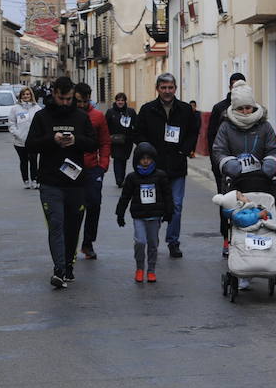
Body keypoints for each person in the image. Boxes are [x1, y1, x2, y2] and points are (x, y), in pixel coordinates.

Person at [25, 76, 97, 289]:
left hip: (76, 182)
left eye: (68, 98)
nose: (65, 102)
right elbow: (30, 145)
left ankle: (68, 265)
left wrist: (76, 140)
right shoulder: (41, 117)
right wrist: (51, 140)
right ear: (54, 94)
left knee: (73, 227)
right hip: (50, 182)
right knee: (56, 225)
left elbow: (93, 143)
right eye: (61, 98)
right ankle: (59, 269)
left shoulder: (81, 117)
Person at [211, 82, 276, 265]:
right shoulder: (226, 127)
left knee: (267, 215)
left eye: (248, 107)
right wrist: (228, 163)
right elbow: (218, 150)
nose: (245, 112)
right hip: (237, 182)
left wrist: (271, 164)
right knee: (239, 221)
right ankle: (241, 260)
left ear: (253, 106)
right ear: (234, 108)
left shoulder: (265, 126)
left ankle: (269, 258)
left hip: (262, 180)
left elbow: (274, 149)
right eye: (240, 108)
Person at [134, 73, 199, 258]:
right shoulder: (147, 110)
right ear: (157, 89)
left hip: (177, 165)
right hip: (154, 167)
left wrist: (184, 150)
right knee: (154, 205)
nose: (167, 91)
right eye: (163, 87)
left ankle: (173, 241)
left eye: (170, 87)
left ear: (175, 88)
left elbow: (193, 133)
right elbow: (138, 134)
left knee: (176, 205)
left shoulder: (186, 110)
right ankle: (152, 242)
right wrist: (147, 152)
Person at [116, 142, 173, 283]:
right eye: (142, 158)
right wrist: (120, 214)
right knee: (140, 242)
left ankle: (151, 270)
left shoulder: (160, 176)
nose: (146, 161)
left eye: (148, 158)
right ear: (137, 160)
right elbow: (125, 196)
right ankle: (140, 268)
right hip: (139, 216)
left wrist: (169, 212)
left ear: (153, 159)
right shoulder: (132, 177)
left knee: (153, 244)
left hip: (155, 216)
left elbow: (167, 195)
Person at [207, 73, 247, 255]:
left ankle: (243, 238)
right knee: (226, 201)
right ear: (230, 87)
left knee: (245, 202)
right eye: (233, 85)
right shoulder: (220, 108)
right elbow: (211, 137)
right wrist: (216, 162)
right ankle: (226, 238)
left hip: (245, 167)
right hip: (223, 166)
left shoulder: (250, 109)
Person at [74, 82, 111, 260]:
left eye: (84, 101)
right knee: (73, 208)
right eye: (78, 101)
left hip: (92, 169)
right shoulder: (69, 115)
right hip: (71, 169)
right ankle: (71, 243)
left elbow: (105, 141)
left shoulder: (97, 116)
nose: (81, 104)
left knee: (94, 205)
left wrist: (102, 166)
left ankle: (88, 244)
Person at [8, 87, 42, 189]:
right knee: (23, 161)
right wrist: (17, 133)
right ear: (20, 96)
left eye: (28, 94)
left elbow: (41, 124)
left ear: (31, 95)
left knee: (33, 160)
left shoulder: (37, 108)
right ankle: (26, 180)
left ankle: (35, 180)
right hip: (20, 141)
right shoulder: (15, 109)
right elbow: (11, 123)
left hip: (33, 141)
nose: (26, 96)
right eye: (24, 94)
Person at [105, 92, 137, 187]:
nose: (120, 102)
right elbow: (105, 126)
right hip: (114, 141)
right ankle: (119, 179)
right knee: (117, 159)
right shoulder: (110, 112)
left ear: (125, 101)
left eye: (122, 100)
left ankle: (121, 178)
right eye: (118, 100)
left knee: (123, 159)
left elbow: (136, 124)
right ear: (115, 101)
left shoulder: (130, 112)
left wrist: (135, 136)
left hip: (127, 141)